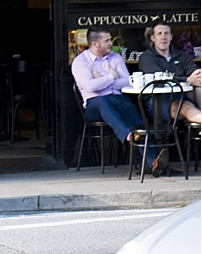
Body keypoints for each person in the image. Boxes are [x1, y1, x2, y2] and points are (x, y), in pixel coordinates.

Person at [71, 26, 166, 176]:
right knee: (103, 102)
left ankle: (153, 162)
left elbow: (128, 82)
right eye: (107, 40)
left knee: (134, 114)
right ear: (95, 44)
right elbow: (90, 87)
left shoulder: (115, 57)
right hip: (94, 105)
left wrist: (101, 80)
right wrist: (111, 77)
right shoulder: (80, 62)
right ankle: (128, 135)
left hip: (117, 98)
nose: (111, 43)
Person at [137, 21, 201, 124]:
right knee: (184, 106)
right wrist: (187, 80)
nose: (163, 37)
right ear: (153, 38)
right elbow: (161, 78)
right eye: (159, 33)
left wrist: (197, 75)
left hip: (181, 95)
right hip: (158, 102)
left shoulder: (181, 55)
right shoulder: (147, 57)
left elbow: (194, 71)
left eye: (166, 33)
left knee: (200, 83)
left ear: (171, 37)